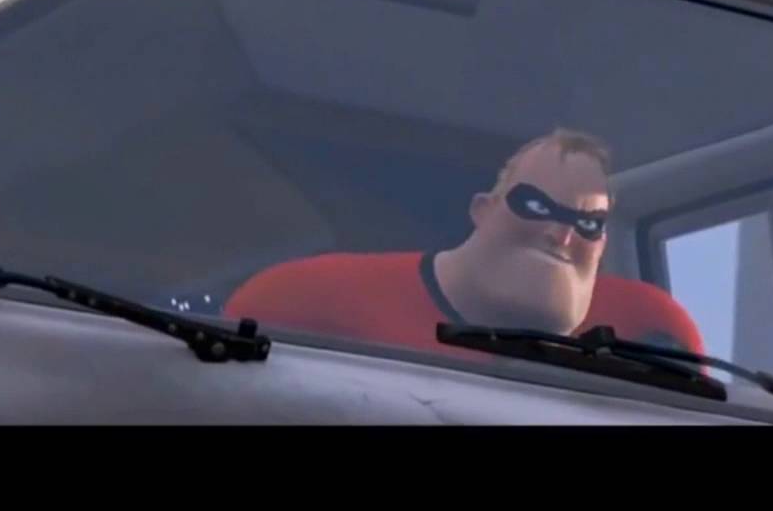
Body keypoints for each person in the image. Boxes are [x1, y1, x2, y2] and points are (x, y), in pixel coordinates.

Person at [223, 128, 704, 355]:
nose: (560, 234)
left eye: (587, 223)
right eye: (537, 206)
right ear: (482, 209)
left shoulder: (650, 331)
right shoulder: (304, 299)